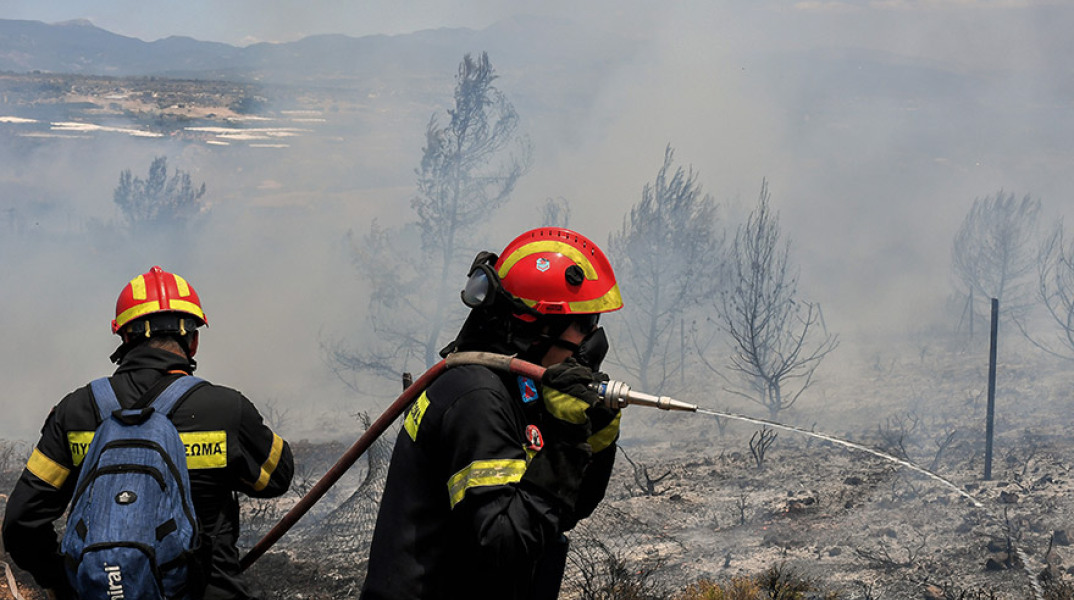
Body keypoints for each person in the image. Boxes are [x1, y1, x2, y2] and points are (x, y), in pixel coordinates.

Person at [361, 227, 624, 600]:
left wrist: (592, 440)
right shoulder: (477, 398)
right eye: (585, 324)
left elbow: (561, 512)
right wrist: (563, 442)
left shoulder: (516, 389)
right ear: (540, 327)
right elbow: (504, 547)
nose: (594, 340)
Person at [2, 266, 294, 600]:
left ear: (124, 337)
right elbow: (276, 477)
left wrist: (65, 582)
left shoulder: (76, 411)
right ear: (193, 341)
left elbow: (21, 524)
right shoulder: (226, 408)